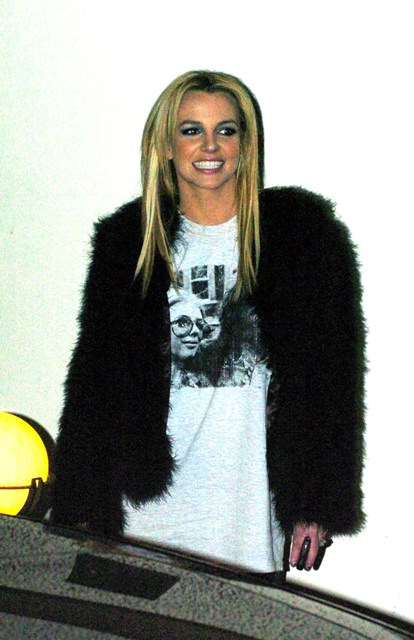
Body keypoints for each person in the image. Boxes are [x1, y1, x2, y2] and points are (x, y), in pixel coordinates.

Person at [51, 70, 366, 579]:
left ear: (246, 144)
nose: (210, 146)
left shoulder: (301, 240)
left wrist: (316, 501)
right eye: (191, 130)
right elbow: (93, 386)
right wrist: (81, 505)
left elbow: (330, 383)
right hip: (140, 521)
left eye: (226, 130)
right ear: (166, 146)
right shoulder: (127, 244)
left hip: (245, 524)